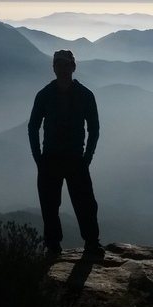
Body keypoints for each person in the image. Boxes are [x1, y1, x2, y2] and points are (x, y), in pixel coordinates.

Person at [28, 49, 101, 256]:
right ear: (53, 68)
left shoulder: (85, 95)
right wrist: (39, 158)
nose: (62, 68)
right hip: (51, 158)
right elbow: (33, 126)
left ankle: (91, 243)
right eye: (58, 65)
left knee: (85, 203)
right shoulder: (45, 95)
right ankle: (54, 246)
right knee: (50, 206)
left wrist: (87, 157)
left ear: (73, 67)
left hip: (74, 158)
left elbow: (94, 128)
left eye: (66, 64)